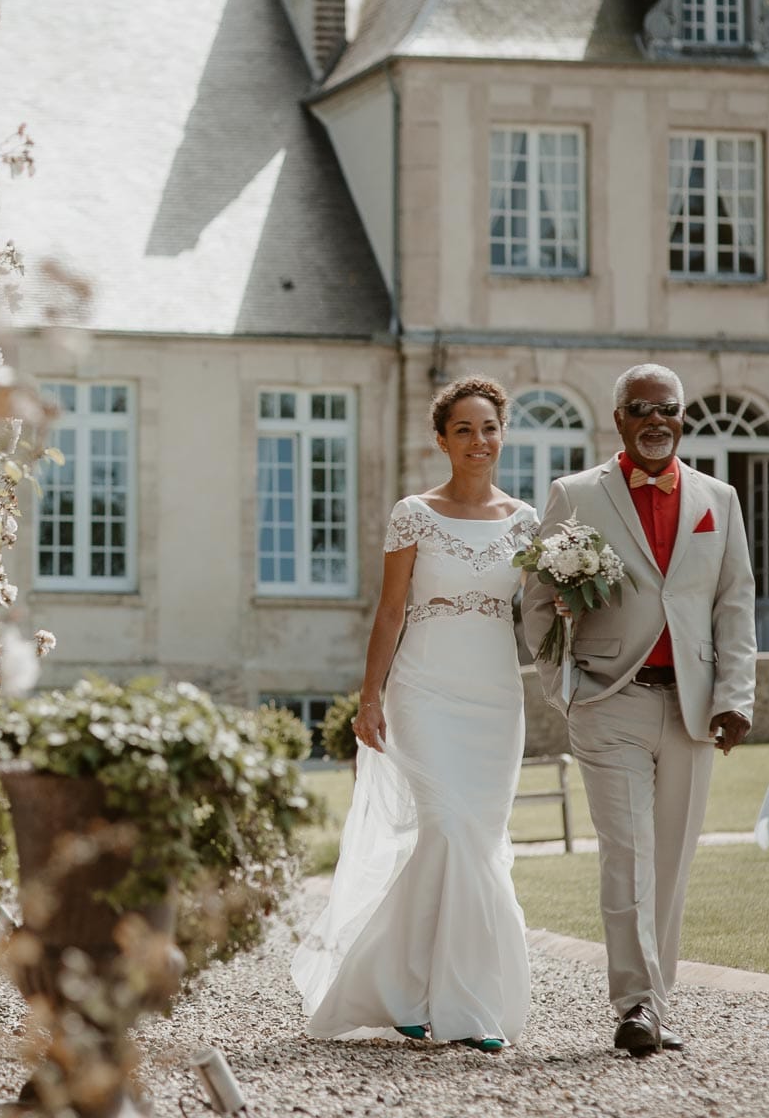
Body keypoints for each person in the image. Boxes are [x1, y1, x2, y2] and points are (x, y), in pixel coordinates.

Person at [291, 376, 537, 1052]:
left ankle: (395, 986)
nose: (478, 441)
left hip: (495, 697)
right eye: (463, 430)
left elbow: (541, 613)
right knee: (450, 828)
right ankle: (465, 1008)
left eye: (488, 428)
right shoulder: (413, 514)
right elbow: (392, 610)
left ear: (501, 433)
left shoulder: (525, 522)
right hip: (425, 690)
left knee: (466, 842)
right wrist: (370, 696)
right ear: (442, 439)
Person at [521, 364, 756, 1058]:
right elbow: (536, 599)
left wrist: (735, 697)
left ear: (683, 418)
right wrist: (563, 684)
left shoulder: (719, 498)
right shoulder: (575, 494)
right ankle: (637, 1006)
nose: (658, 420)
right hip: (608, 699)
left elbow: (734, 605)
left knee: (671, 863)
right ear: (618, 417)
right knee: (626, 857)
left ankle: (658, 1000)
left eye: (670, 409)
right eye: (642, 409)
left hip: (690, 706)